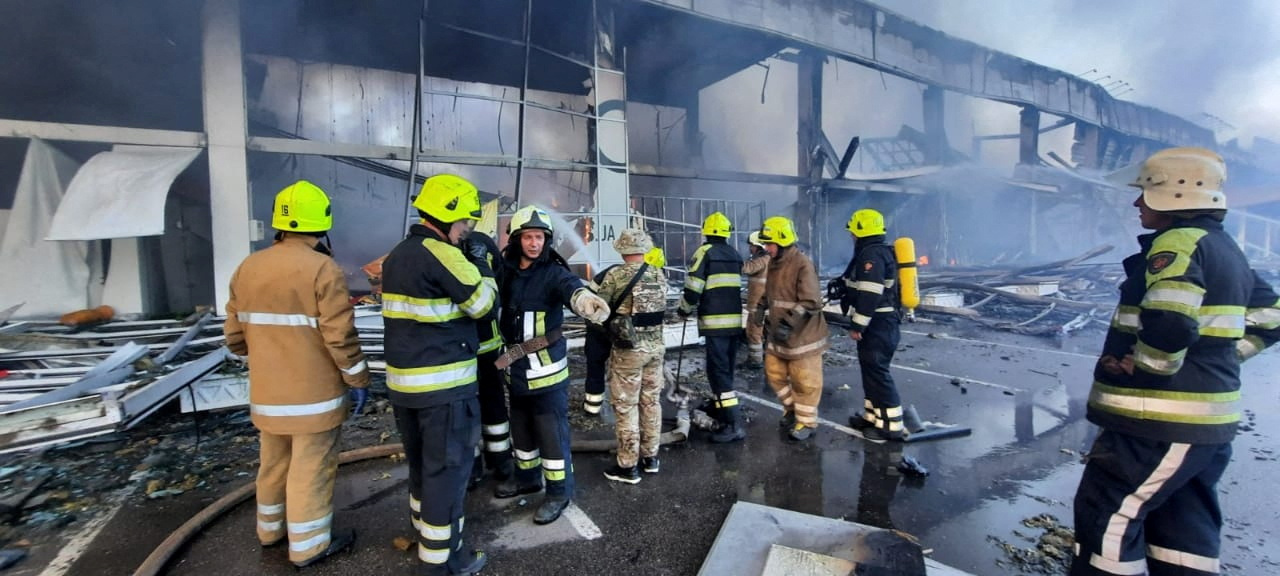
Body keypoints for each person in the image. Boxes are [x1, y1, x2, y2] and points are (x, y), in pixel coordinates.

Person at [1070, 148, 1280, 576]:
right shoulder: (1224, 248)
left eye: (1144, 193)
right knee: (1183, 534)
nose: (1137, 203)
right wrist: (1227, 354)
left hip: (1154, 426)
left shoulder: (1178, 243)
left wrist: (1150, 367)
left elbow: (1169, 320)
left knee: (1109, 519)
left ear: (1174, 196)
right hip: (1203, 428)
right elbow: (1272, 315)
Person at [223, 180, 369, 568]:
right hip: (314, 399)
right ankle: (309, 546)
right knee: (311, 468)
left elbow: (235, 337)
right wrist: (358, 380)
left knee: (273, 462)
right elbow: (340, 337)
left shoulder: (248, 266)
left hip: (268, 395)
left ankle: (270, 531)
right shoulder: (323, 269)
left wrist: (265, 358)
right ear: (321, 223)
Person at [382, 174, 494, 575]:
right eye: (464, 222)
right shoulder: (443, 254)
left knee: (421, 468)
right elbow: (483, 306)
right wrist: (485, 269)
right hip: (444, 390)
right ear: (445, 216)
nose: (466, 231)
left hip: (405, 388)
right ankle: (445, 561)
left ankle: (422, 533)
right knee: (447, 474)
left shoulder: (397, 254)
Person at [494, 205, 610, 525]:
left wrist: (586, 302)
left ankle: (559, 492)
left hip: (546, 375)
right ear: (516, 239)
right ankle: (528, 479)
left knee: (551, 437)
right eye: (529, 237)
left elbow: (571, 289)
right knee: (522, 433)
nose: (535, 243)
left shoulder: (553, 272)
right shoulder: (504, 271)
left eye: (540, 237)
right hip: (515, 372)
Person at [596, 229, 668, 484]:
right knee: (651, 402)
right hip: (656, 349)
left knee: (626, 406)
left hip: (629, 351)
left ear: (621, 249)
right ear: (644, 248)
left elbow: (598, 308)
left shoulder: (616, 275)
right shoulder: (658, 273)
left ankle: (628, 466)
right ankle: (651, 458)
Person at [757, 216, 828, 441]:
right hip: (779, 335)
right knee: (774, 373)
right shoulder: (774, 263)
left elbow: (811, 302)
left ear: (783, 241)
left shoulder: (802, 264)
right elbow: (771, 293)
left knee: (804, 381)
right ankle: (791, 410)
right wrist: (760, 308)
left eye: (769, 244)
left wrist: (787, 323)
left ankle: (807, 422)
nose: (766, 248)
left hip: (802, 337)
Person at [678, 212, 746, 443]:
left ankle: (733, 423)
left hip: (714, 323)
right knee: (725, 370)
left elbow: (693, 287)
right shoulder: (735, 255)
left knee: (718, 372)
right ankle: (719, 407)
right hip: (734, 323)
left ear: (705, 231)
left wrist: (684, 309)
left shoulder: (704, 253)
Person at [841, 209, 907, 441]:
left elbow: (870, 294)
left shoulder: (872, 256)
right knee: (870, 369)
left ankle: (892, 425)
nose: (851, 236)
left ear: (861, 231)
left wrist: (858, 326)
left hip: (879, 323)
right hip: (880, 322)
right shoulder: (877, 252)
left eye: (853, 232)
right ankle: (873, 416)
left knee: (878, 371)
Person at [468, 228, 514, 484]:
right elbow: (501, 278)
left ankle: (477, 467)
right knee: (492, 402)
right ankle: (500, 462)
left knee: (471, 407)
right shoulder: (483, 243)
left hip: (466, 348)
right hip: (485, 345)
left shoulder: (444, 250)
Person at [582, 263, 619, 416]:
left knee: (595, 365)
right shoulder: (646, 275)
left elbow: (587, 297)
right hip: (623, 331)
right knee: (624, 369)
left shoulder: (608, 272)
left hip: (598, 328)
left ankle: (592, 406)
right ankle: (623, 404)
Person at [741, 231, 771, 369]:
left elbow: (748, 268)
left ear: (759, 246)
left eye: (752, 245)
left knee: (754, 332)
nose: (750, 248)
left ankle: (755, 361)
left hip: (758, 304)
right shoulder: (770, 259)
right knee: (764, 332)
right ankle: (766, 358)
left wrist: (732, 261)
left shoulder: (763, 259)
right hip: (765, 303)